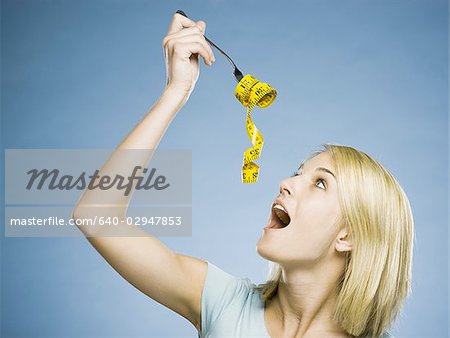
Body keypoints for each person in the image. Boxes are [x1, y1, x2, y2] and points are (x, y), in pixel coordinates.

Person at [72, 12, 414, 338]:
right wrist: (175, 92)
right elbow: (96, 215)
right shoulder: (222, 302)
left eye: (320, 182)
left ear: (348, 235)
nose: (287, 183)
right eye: (298, 173)